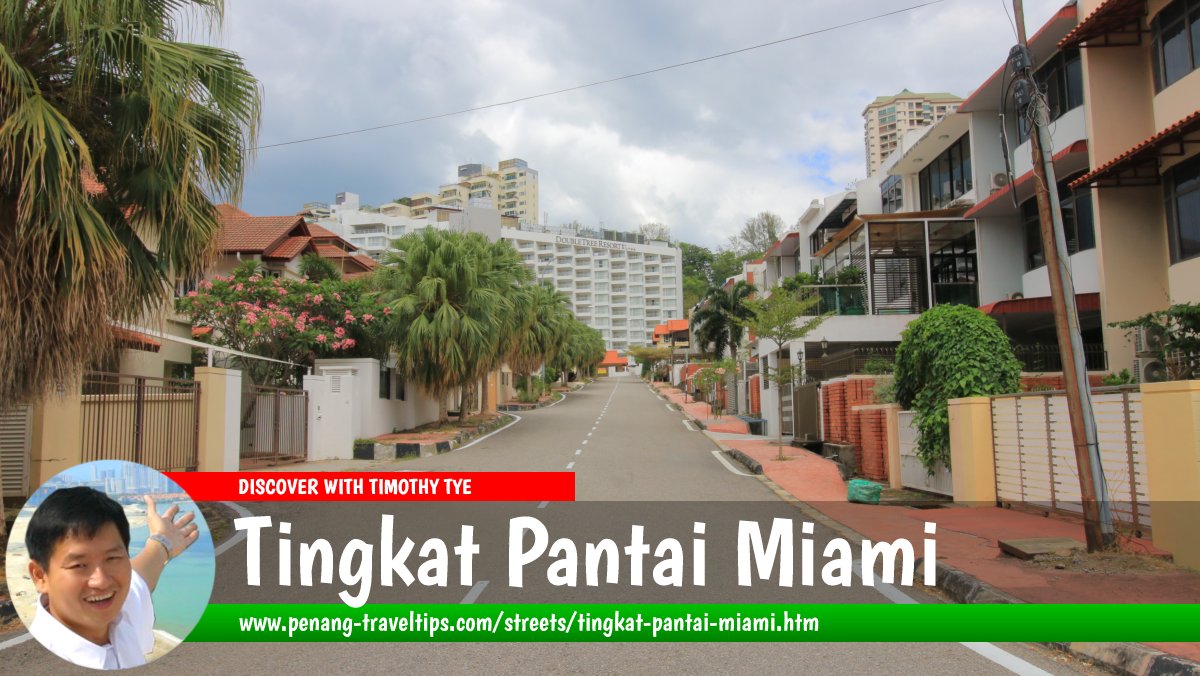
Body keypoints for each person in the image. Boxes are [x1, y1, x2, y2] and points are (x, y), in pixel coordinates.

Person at [25, 486, 199, 669]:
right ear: (40, 576)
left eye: (112, 558)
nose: (101, 581)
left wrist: (163, 541)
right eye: (79, 565)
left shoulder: (120, 614)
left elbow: (140, 578)